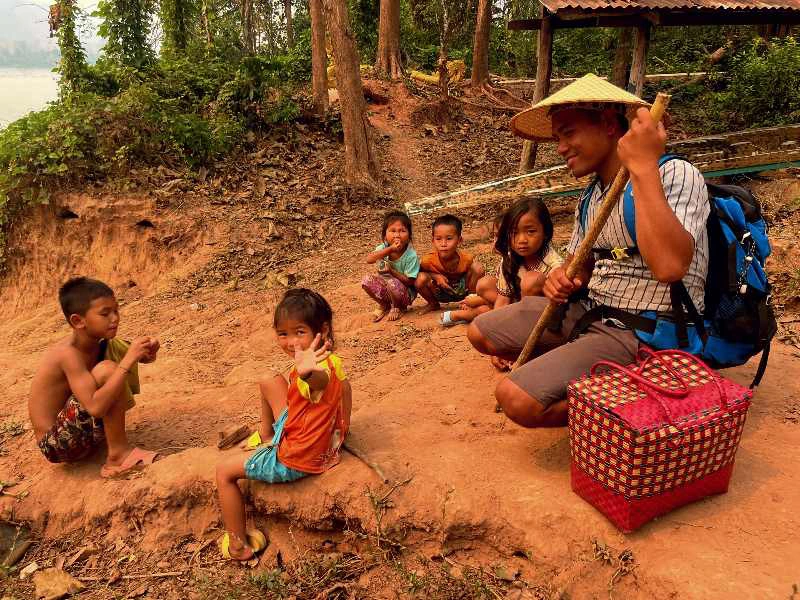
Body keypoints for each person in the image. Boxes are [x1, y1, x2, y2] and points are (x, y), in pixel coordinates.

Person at [468, 73, 709, 428]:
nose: (561, 147)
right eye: (557, 138)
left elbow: (671, 267)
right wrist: (564, 278)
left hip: (644, 333)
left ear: (610, 125)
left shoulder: (674, 173)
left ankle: (649, 392)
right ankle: (588, 374)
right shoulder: (591, 196)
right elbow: (579, 263)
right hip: (591, 312)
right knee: (480, 331)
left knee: (516, 400)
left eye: (568, 133)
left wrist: (642, 166)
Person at [215, 288, 350, 561]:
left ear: (322, 330)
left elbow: (319, 382)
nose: (290, 342)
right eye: (283, 334)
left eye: (299, 332)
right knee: (269, 380)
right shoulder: (333, 361)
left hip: (298, 455)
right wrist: (339, 432)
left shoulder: (314, 371)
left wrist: (308, 372)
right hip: (318, 433)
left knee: (223, 472)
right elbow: (344, 391)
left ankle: (238, 546)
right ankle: (265, 434)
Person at [28, 277, 161, 477]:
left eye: (116, 310)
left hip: (80, 433)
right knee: (108, 370)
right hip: (56, 443)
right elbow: (95, 408)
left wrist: (148, 351)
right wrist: (128, 360)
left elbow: (140, 358)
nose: (114, 318)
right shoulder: (67, 354)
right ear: (78, 321)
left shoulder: (101, 343)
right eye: (105, 313)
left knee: (110, 369)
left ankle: (115, 448)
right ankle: (117, 458)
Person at [415, 214, 485, 326]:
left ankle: (470, 301)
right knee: (420, 278)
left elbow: (475, 274)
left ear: (459, 240)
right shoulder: (427, 260)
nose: (443, 244)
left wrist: (471, 296)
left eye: (449, 239)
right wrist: (436, 276)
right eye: (438, 239)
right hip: (439, 291)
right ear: (432, 240)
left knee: (478, 268)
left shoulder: (466, 259)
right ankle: (433, 304)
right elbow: (418, 273)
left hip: (462, 291)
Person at [363, 210, 420, 322]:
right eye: (392, 231)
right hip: (387, 289)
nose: (397, 235)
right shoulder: (384, 248)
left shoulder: (411, 255)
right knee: (366, 280)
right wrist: (390, 249)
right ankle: (384, 305)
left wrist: (392, 271)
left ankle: (397, 307)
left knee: (392, 282)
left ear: (409, 236)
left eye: (402, 231)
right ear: (385, 236)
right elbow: (369, 259)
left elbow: (410, 282)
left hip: (405, 294)